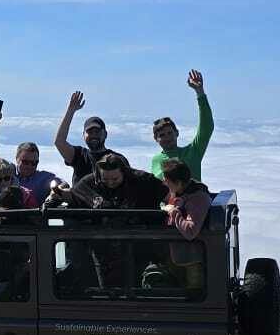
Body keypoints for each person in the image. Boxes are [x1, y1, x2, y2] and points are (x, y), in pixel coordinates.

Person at [0, 107, 62, 202]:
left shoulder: (43, 178)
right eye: (25, 162)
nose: (29, 166)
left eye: (34, 163)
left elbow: (62, 184)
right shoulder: (7, 171)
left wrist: (55, 190)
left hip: (29, 215)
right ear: (17, 159)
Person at [150, 69, 214, 181]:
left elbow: (206, 127)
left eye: (170, 133)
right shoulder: (156, 160)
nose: (167, 137)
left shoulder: (192, 152)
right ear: (156, 139)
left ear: (177, 133)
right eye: (162, 135)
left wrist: (200, 92)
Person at [160, 158, 212, 292]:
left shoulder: (197, 198)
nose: (164, 182)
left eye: (167, 180)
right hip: (175, 256)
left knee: (193, 294)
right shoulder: (178, 191)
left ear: (178, 183)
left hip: (192, 261)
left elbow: (190, 231)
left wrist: (173, 212)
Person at [59, 150, 168, 211]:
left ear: (123, 173)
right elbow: (74, 194)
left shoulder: (144, 180)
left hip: (141, 236)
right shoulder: (89, 183)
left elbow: (169, 193)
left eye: (115, 179)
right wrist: (58, 192)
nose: (110, 182)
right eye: (105, 179)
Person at [53, 91, 114, 184]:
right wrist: (71, 110)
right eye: (89, 132)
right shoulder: (79, 156)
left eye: (97, 131)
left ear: (105, 134)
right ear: (83, 135)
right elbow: (59, 142)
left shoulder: (116, 159)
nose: (93, 135)